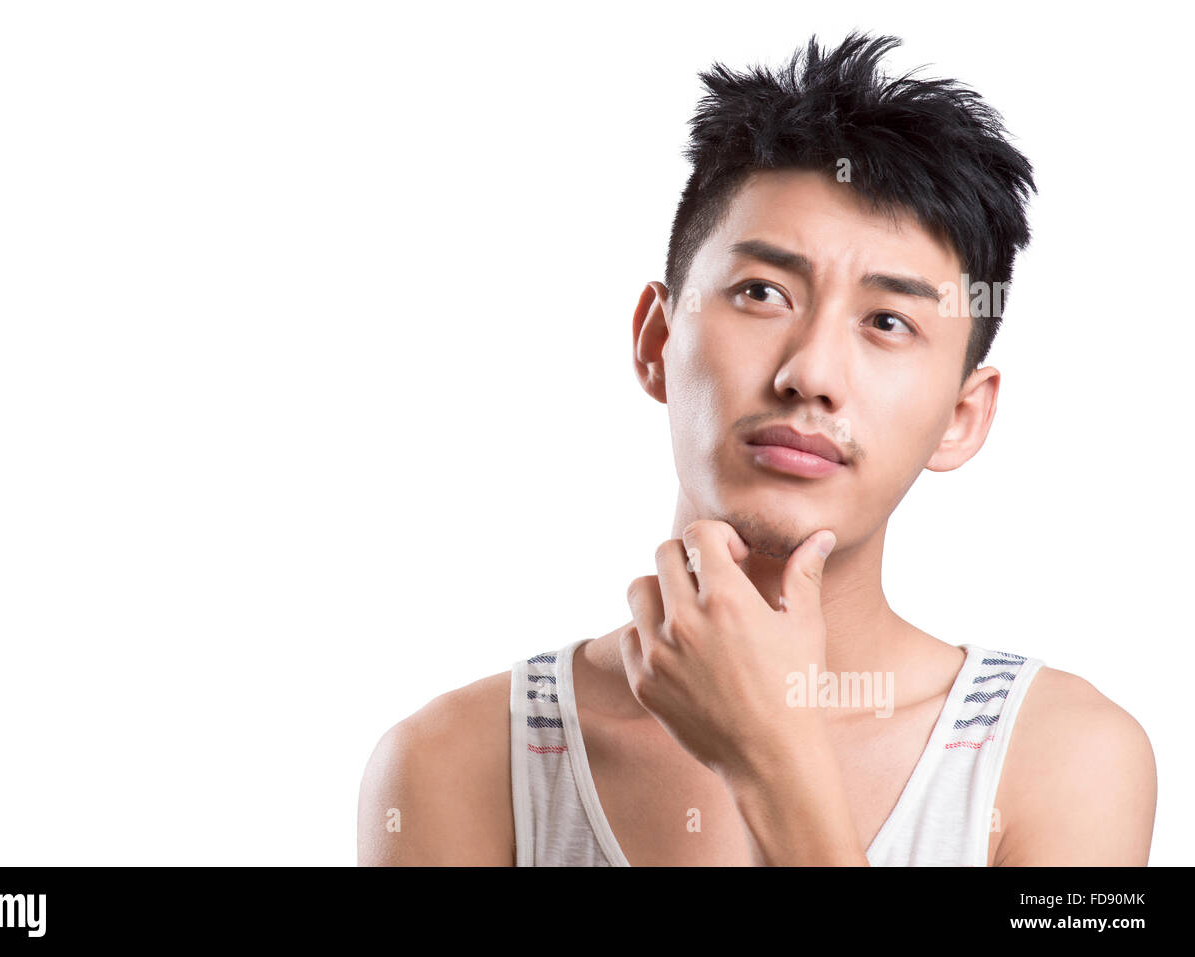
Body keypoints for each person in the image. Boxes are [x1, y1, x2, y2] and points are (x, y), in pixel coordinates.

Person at [357, 32, 1157, 866]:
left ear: (962, 416)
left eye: (888, 321)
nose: (810, 374)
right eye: (762, 293)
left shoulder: (1068, 759)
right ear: (656, 339)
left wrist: (775, 757)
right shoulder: (458, 762)